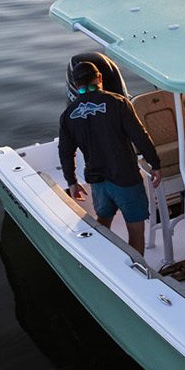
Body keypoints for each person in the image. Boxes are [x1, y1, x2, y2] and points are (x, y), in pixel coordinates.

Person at [59, 61, 162, 254]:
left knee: (103, 225)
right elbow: (140, 136)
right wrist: (154, 164)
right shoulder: (118, 102)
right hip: (126, 180)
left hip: (98, 183)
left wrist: (72, 182)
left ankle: (102, 261)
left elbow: (65, 152)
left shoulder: (68, 115)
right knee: (136, 232)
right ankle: (134, 273)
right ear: (99, 78)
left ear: (75, 84)